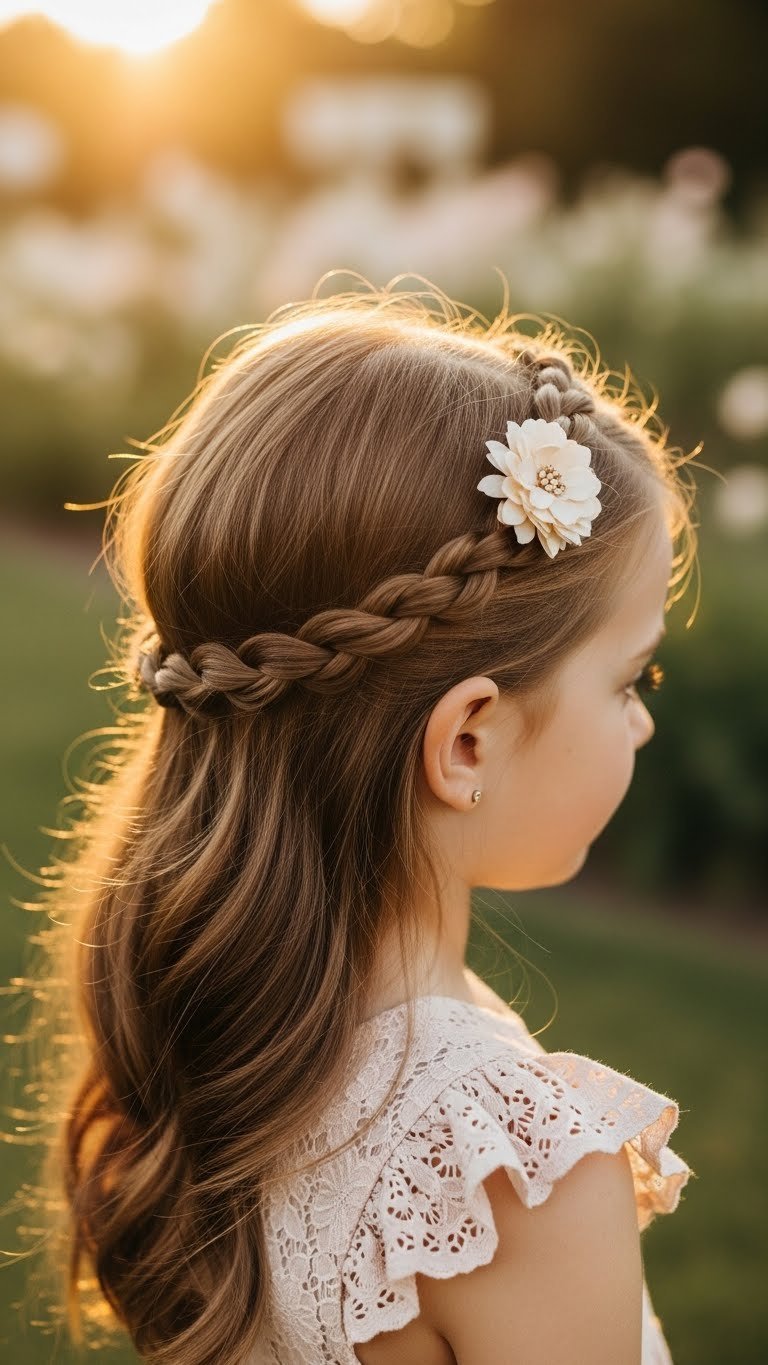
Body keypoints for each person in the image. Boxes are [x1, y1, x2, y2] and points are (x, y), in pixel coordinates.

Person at [20, 280, 698, 1364]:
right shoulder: (511, 1175)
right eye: (632, 677)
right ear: (465, 739)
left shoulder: (234, 1021)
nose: (643, 723)